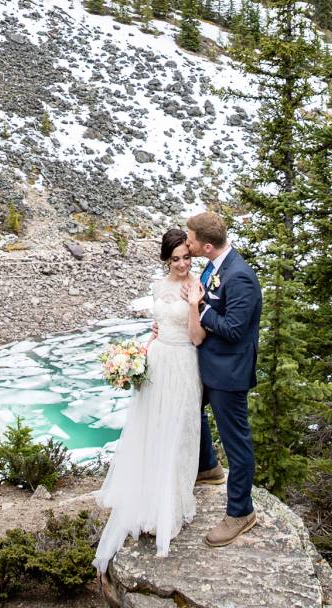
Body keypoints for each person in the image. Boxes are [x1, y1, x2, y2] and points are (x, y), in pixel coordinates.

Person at [93, 227, 205, 574]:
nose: (183, 264)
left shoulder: (198, 284)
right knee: (152, 430)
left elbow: (198, 337)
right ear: (166, 260)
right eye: (176, 259)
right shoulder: (157, 286)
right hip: (157, 360)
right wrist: (147, 343)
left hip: (184, 361)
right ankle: (147, 501)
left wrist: (193, 305)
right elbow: (158, 322)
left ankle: (170, 505)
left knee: (179, 431)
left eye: (186, 257)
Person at [183, 210, 262, 547]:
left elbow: (233, 329)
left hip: (228, 373)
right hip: (206, 363)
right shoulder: (215, 265)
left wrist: (199, 308)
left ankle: (241, 512)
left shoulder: (241, 277)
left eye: (191, 241)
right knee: (189, 410)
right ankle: (208, 466)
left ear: (208, 246)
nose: (188, 245)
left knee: (237, 443)